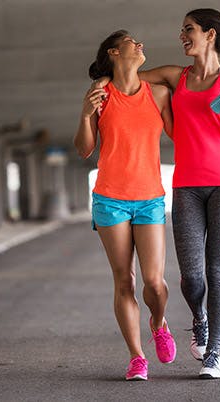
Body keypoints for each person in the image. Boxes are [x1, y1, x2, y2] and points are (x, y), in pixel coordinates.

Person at [94, 8, 220, 379]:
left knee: (217, 271)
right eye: (183, 30)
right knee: (192, 278)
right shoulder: (173, 78)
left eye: (189, 29)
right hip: (185, 186)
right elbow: (129, 78)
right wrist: (102, 85)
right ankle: (199, 318)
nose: (183, 35)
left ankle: (213, 354)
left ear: (210, 35)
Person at [74, 30, 176, 381]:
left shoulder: (159, 94)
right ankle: (137, 357)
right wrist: (87, 114)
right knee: (124, 281)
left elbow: (184, 135)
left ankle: (159, 323)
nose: (141, 43)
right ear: (115, 52)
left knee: (155, 282)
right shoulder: (99, 95)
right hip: (110, 199)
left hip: (149, 199)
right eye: (133, 41)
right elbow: (84, 149)